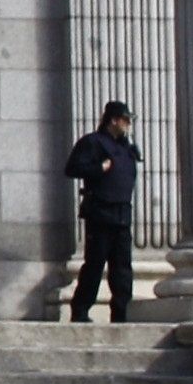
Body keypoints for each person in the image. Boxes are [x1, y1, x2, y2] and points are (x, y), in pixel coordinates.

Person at [65, 99, 142, 324]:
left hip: (121, 214)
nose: (128, 125)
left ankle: (121, 314)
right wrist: (99, 168)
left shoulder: (126, 148)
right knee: (95, 265)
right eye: (126, 120)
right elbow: (72, 168)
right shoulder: (93, 143)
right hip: (100, 213)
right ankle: (80, 311)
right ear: (114, 120)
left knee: (122, 269)